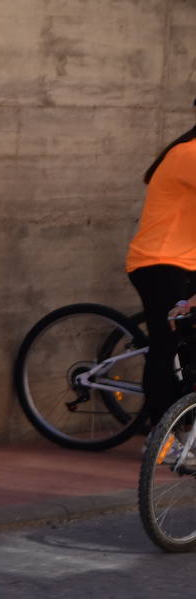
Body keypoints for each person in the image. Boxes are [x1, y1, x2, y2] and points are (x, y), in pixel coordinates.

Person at [127, 105, 196, 424]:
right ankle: (158, 430)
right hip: (160, 263)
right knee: (167, 344)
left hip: (186, 263)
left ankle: (183, 421)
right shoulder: (189, 154)